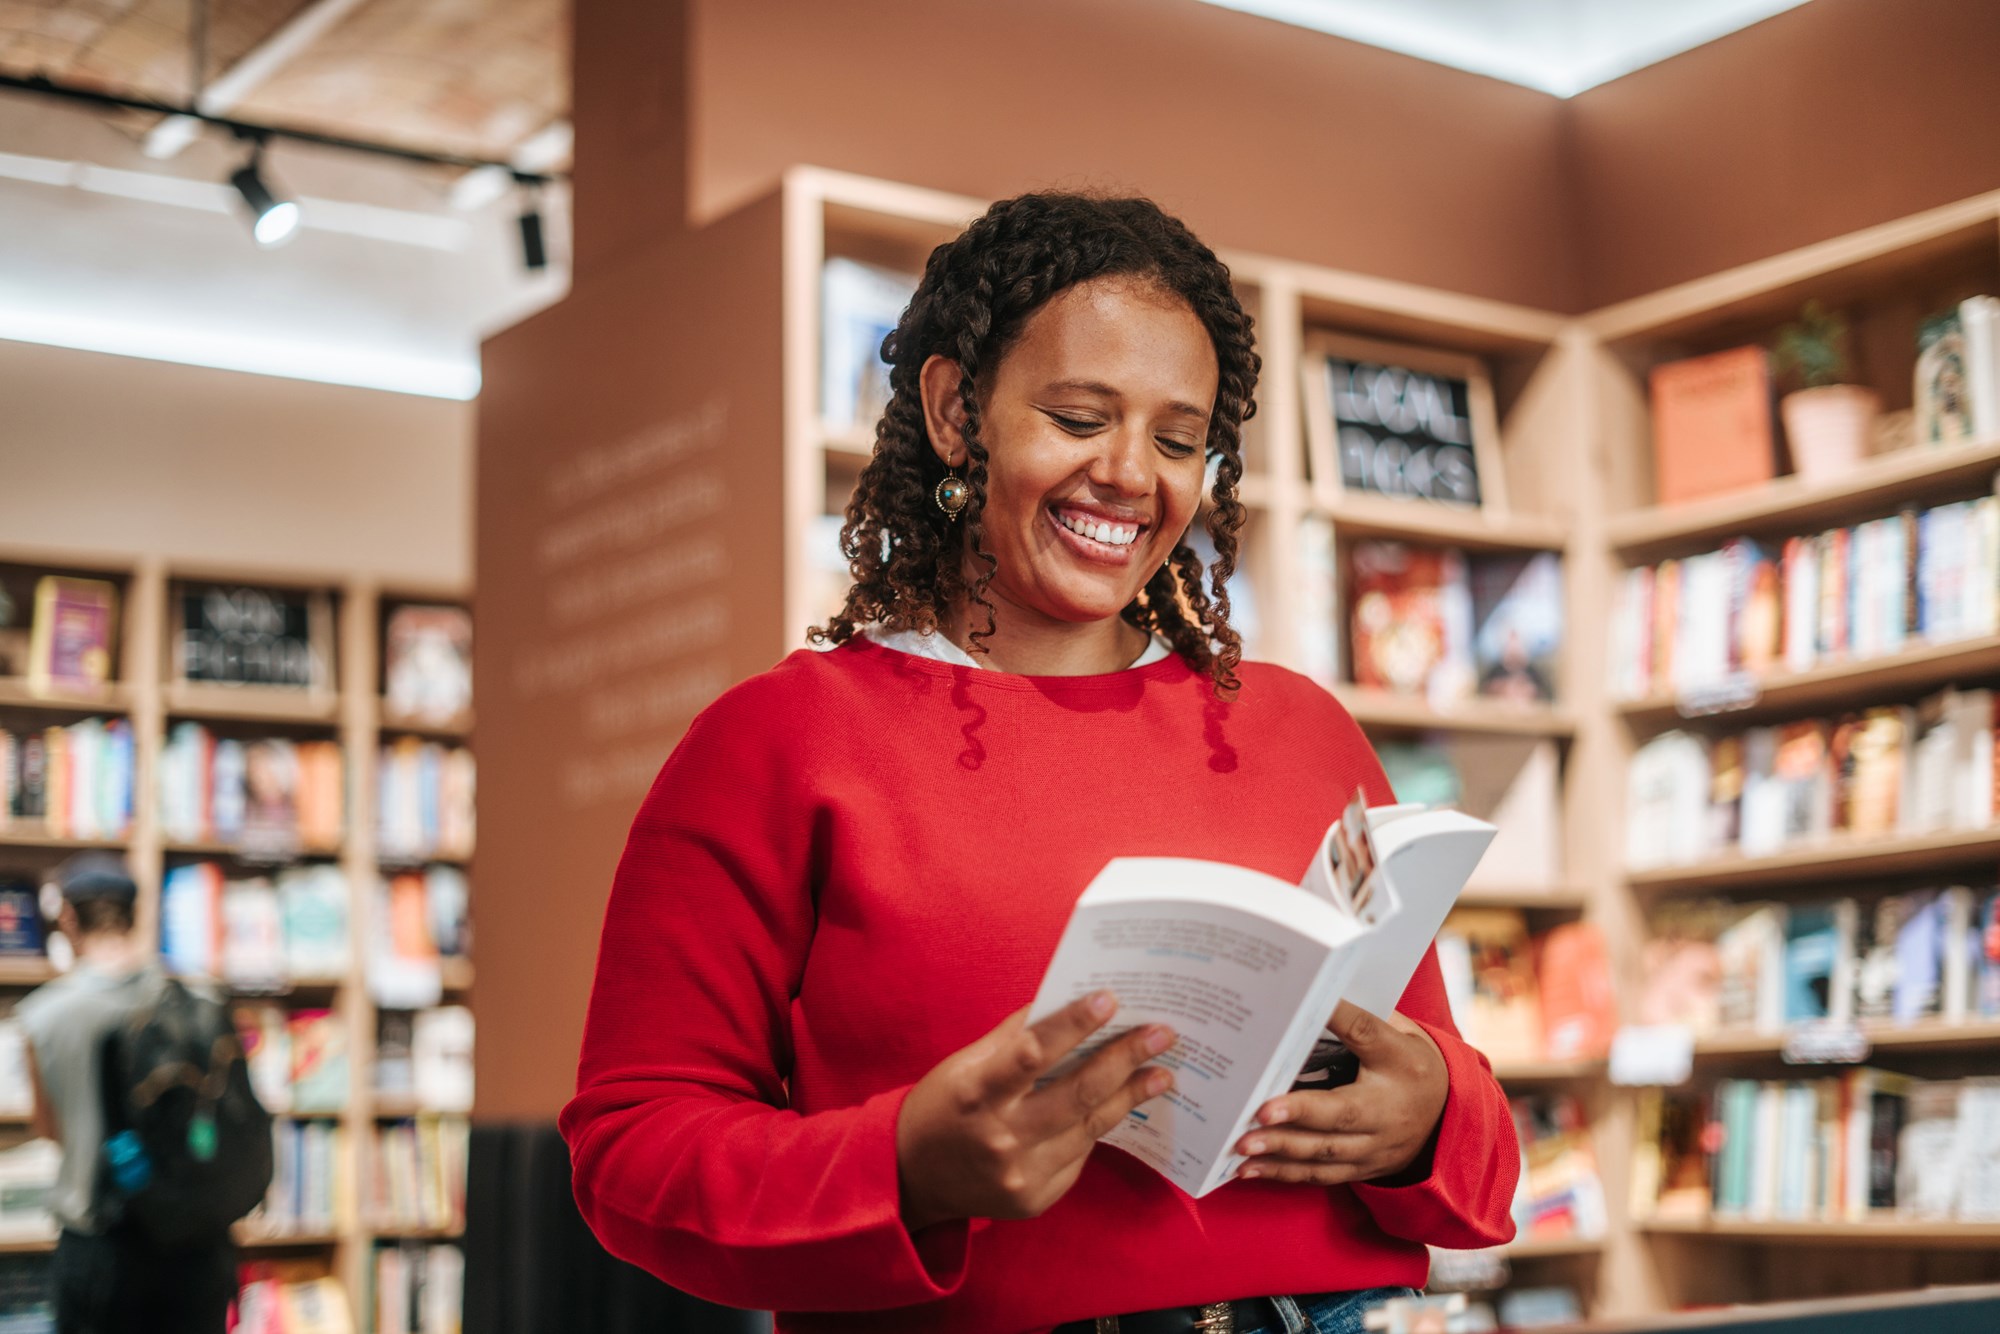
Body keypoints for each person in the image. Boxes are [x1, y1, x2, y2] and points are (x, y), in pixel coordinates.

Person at [562, 193, 1520, 1334]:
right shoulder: (780, 740)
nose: (1129, 475)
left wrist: (1427, 1115)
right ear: (956, 410)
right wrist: (907, 1162)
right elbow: (632, 1150)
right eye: (1078, 417)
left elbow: (1468, 1120)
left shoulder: (1300, 729)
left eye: (1177, 440)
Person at [18, 854, 239, 1334]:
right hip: (195, 1243)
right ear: (138, 914)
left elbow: (50, 1129)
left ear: (70, 918)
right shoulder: (201, 1003)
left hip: (102, 1244)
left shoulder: (42, 1017)